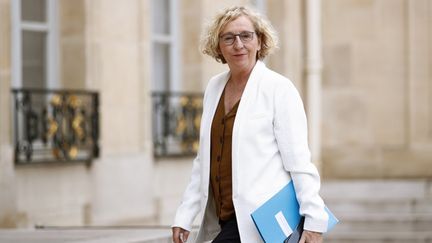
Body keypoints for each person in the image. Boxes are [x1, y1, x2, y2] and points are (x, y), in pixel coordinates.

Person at [172, 6, 328, 243]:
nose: (238, 44)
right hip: (224, 216)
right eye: (228, 38)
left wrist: (314, 221)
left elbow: (299, 162)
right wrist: (185, 215)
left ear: (259, 41)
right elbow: (203, 160)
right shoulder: (214, 88)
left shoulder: (279, 88)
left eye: (246, 35)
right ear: (218, 46)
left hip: (262, 221)